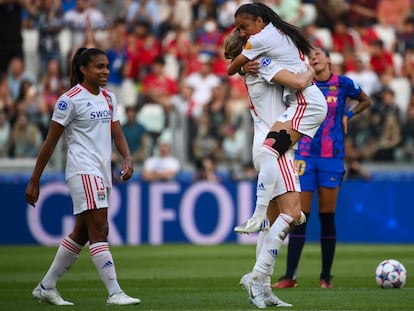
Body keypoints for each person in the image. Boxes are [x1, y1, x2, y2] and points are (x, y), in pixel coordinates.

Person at [223, 12, 325, 306]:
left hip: (267, 144)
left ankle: (263, 288)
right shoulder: (262, 65)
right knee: (293, 215)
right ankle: (257, 276)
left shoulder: (254, 66)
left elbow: (236, 67)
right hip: (273, 147)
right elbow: (295, 80)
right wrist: (309, 71)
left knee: (273, 224)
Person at [25, 47, 141, 306]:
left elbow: (117, 132)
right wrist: (35, 179)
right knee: (100, 228)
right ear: (83, 69)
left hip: (102, 171)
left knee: (82, 232)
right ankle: (115, 293)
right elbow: (50, 142)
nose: (106, 71)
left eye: (107, 66)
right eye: (99, 67)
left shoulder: (109, 98)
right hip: (82, 169)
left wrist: (127, 157)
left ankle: (46, 286)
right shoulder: (70, 99)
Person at [273, 47, 371, 289]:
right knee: (299, 217)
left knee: (327, 217)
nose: (313, 57)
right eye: (311, 55)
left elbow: (366, 100)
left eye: (318, 54)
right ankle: (289, 276)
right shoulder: (302, 83)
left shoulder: (344, 84)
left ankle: (326, 278)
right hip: (305, 154)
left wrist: (348, 113)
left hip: (331, 158)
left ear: (328, 59)